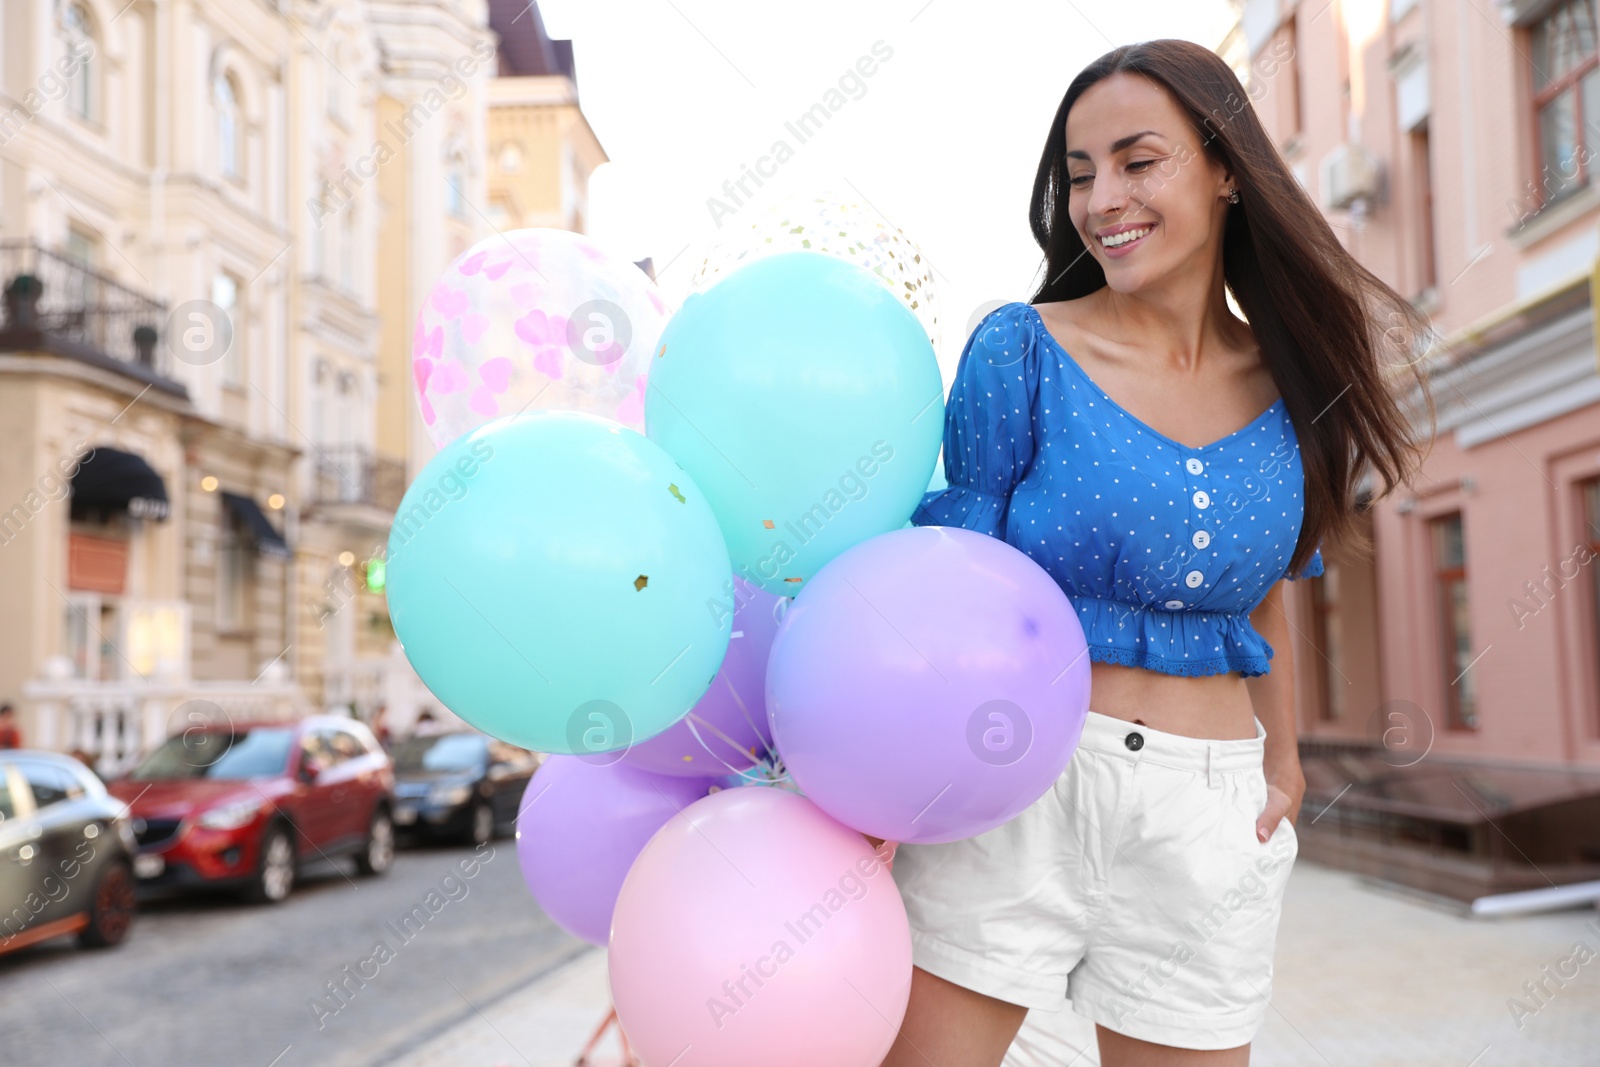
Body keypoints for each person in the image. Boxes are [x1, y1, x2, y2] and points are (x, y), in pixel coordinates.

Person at [882, 40, 1432, 1067]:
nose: (1102, 199)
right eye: (1080, 172)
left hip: (1209, 811)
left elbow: (1270, 599)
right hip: (1019, 784)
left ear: (1227, 172)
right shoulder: (1020, 348)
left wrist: (1284, 763)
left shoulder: (1291, 382)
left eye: (1139, 161)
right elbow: (951, 580)